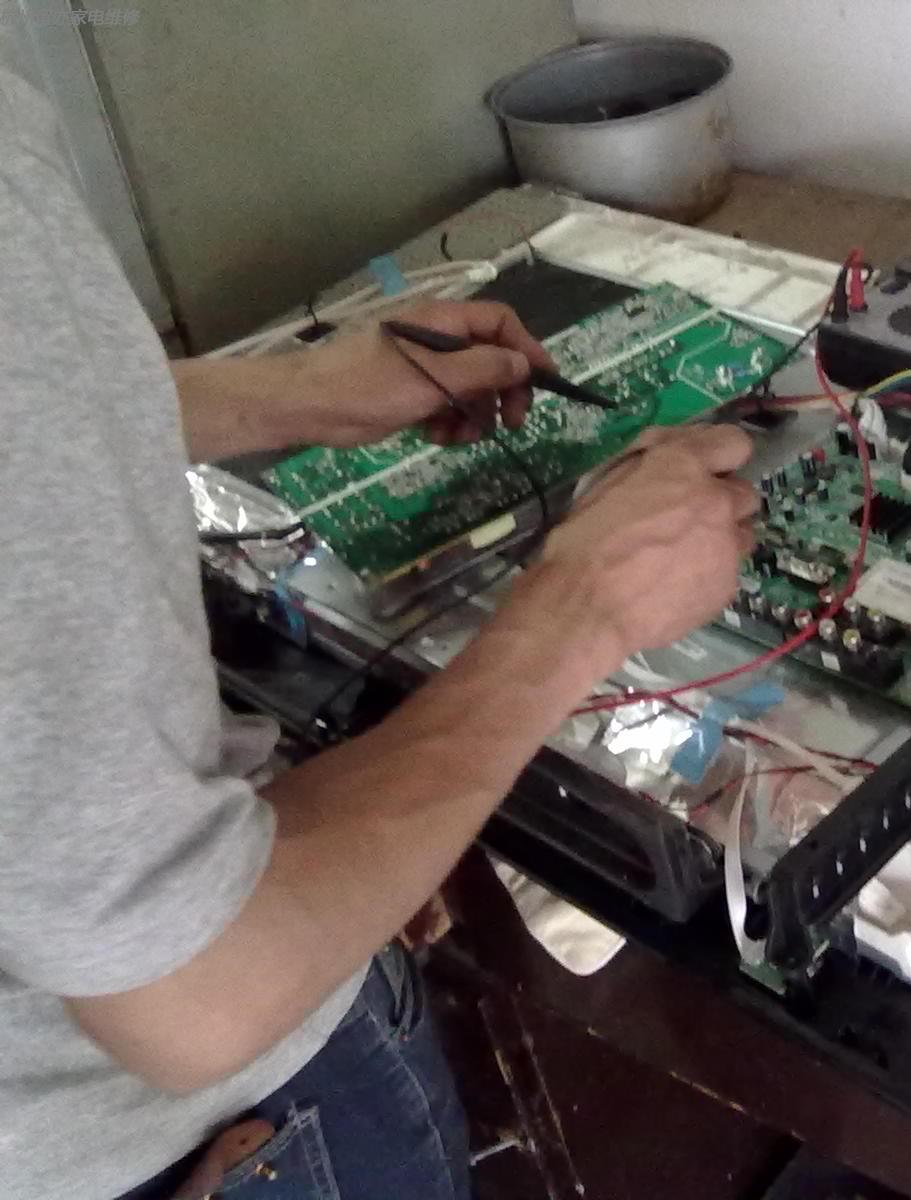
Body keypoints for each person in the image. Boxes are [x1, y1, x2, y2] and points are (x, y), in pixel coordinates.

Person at [0, 23, 757, 1200]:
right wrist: (585, 608)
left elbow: (38, 419)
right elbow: (195, 990)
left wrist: (276, 398)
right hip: (181, 1138)